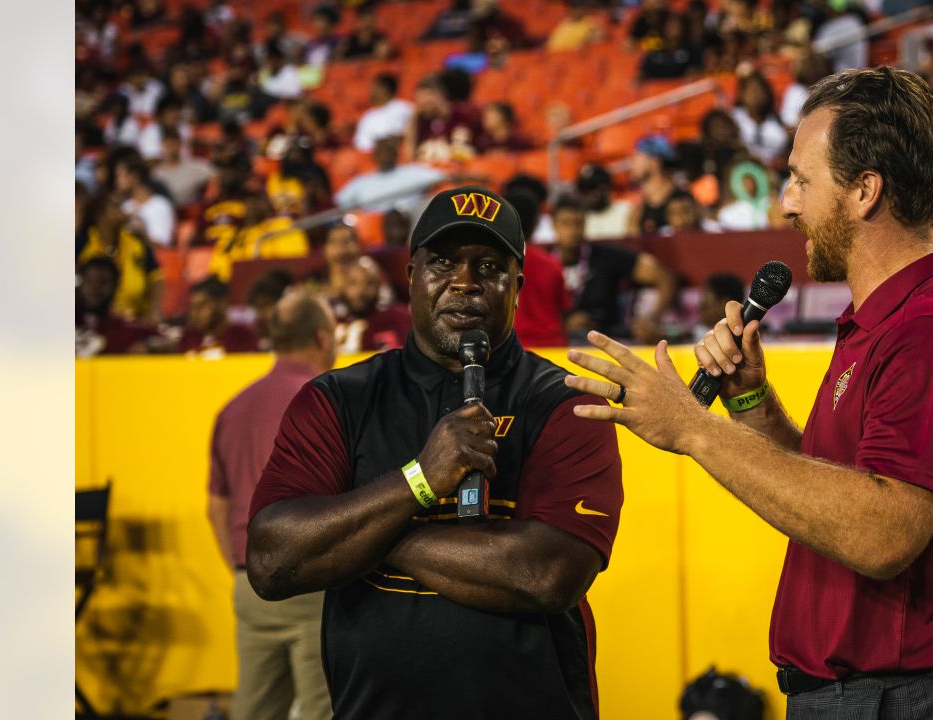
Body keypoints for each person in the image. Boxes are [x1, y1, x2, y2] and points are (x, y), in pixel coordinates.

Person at [565, 67, 933, 719]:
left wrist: (695, 428)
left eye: (802, 180)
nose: (786, 203)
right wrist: (751, 402)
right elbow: (837, 495)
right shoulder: (890, 321)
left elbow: (882, 535)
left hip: (904, 701)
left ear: (865, 191)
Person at [245, 186, 623, 719]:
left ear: (517, 286)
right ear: (411, 277)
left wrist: (368, 535)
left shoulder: (566, 402)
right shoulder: (338, 399)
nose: (464, 283)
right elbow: (270, 560)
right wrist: (417, 481)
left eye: (488, 266)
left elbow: (547, 574)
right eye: (443, 262)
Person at [207, 290, 337, 720]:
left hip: (250, 582)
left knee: (255, 708)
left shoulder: (233, 408)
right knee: (323, 708)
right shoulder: (324, 401)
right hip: (311, 581)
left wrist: (244, 567)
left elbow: (215, 506)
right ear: (322, 337)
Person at [554, 195, 677, 344]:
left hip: (608, 341)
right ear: (554, 225)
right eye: (565, 223)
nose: (572, 230)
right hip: (557, 343)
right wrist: (563, 325)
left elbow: (664, 277)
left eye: (578, 223)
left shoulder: (606, 256)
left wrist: (651, 318)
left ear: (586, 223)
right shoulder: (544, 264)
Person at [76, 191, 164, 323]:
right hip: (92, 317)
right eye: (115, 207)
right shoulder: (83, 242)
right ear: (100, 214)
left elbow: (156, 277)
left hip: (134, 317)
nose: (122, 211)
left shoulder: (136, 241)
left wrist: (154, 311)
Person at [504, 190, 569, 348]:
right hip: (554, 350)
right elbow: (563, 311)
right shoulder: (552, 263)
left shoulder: (496, 264)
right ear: (535, 222)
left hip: (513, 350)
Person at [334, 137, 446, 215]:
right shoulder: (361, 182)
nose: (385, 154)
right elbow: (339, 203)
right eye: (381, 151)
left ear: (396, 153)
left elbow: (447, 178)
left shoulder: (414, 171)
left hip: (411, 220)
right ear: (374, 156)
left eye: (389, 150)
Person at [75, 257, 158, 357]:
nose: (95, 288)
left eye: (103, 282)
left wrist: (148, 346)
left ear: (116, 286)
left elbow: (166, 340)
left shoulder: (124, 329)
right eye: (90, 281)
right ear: (81, 283)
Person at [333, 257, 414, 354]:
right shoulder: (332, 321)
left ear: (380, 286)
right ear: (343, 287)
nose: (361, 291)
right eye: (353, 284)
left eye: (369, 284)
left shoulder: (399, 318)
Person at [179, 276, 260, 355]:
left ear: (222, 303)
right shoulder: (188, 339)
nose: (195, 313)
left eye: (202, 305)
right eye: (192, 307)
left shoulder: (243, 337)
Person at [626, 135, 681, 236]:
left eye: (638, 156)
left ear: (654, 162)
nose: (632, 163)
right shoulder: (638, 211)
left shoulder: (680, 202)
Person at [731, 73, 788, 166]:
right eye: (752, 90)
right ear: (742, 94)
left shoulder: (778, 121)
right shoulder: (733, 119)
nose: (756, 94)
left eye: (760, 89)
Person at [153, 127, 215, 208]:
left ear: (180, 144)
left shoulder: (196, 166)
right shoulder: (156, 174)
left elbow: (215, 177)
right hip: (167, 212)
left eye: (173, 143)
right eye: (167, 143)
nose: (171, 146)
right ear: (162, 145)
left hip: (191, 212)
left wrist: (208, 199)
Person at [353, 73, 414, 153]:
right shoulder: (367, 115)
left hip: (394, 155)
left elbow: (401, 135)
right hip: (365, 158)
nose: (371, 90)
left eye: (376, 86)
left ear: (385, 88)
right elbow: (359, 143)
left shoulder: (403, 108)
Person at [121, 162, 177, 248]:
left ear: (134, 177)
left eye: (121, 176)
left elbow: (162, 246)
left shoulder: (160, 205)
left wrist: (141, 232)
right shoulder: (125, 206)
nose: (117, 181)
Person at [576, 163, 634, 240]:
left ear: (607, 188)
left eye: (594, 188)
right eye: (584, 189)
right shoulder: (577, 218)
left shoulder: (625, 211)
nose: (590, 194)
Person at [246, 268, 295, 352]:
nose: (261, 313)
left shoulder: (295, 338)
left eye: (266, 305)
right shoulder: (252, 336)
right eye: (257, 307)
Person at [694, 272, 744, 341]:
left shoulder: (751, 338)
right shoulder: (694, 335)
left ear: (725, 304)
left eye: (705, 305)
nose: (700, 311)